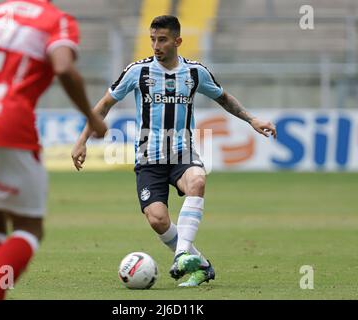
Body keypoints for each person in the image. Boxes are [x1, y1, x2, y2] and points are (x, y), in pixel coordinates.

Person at [71, 15, 276, 287]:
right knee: (157, 219)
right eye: (153, 39)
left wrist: (252, 119)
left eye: (163, 40)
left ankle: (181, 254)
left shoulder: (194, 72)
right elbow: (104, 105)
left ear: (178, 41)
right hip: (149, 158)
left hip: (182, 153)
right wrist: (82, 139)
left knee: (198, 181)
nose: (156, 45)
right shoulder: (138, 71)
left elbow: (223, 98)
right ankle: (201, 265)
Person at [0, 0, 107, 300]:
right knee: (29, 227)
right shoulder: (54, 19)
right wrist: (92, 119)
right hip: (10, 124)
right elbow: (63, 68)